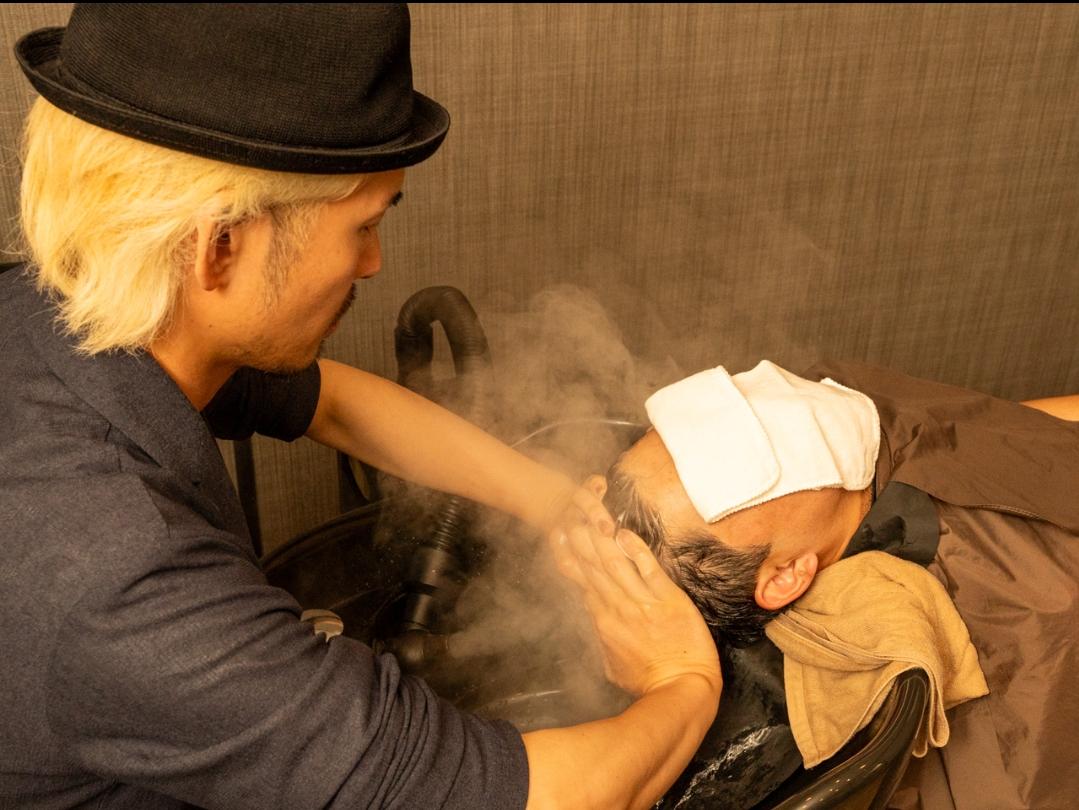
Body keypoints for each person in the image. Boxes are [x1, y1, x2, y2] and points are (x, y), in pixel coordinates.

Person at [0, 5, 722, 809]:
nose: (374, 263)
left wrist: (555, 502)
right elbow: (546, 798)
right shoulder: (123, 577)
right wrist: (683, 679)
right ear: (218, 245)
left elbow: (335, 404)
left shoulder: (59, 313)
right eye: (364, 226)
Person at [596, 358, 1079, 809]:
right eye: (739, 470)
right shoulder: (1010, 599)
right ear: (786, 576)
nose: (757, 401)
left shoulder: (830, 406)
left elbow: (996, 423)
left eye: (679, 434)